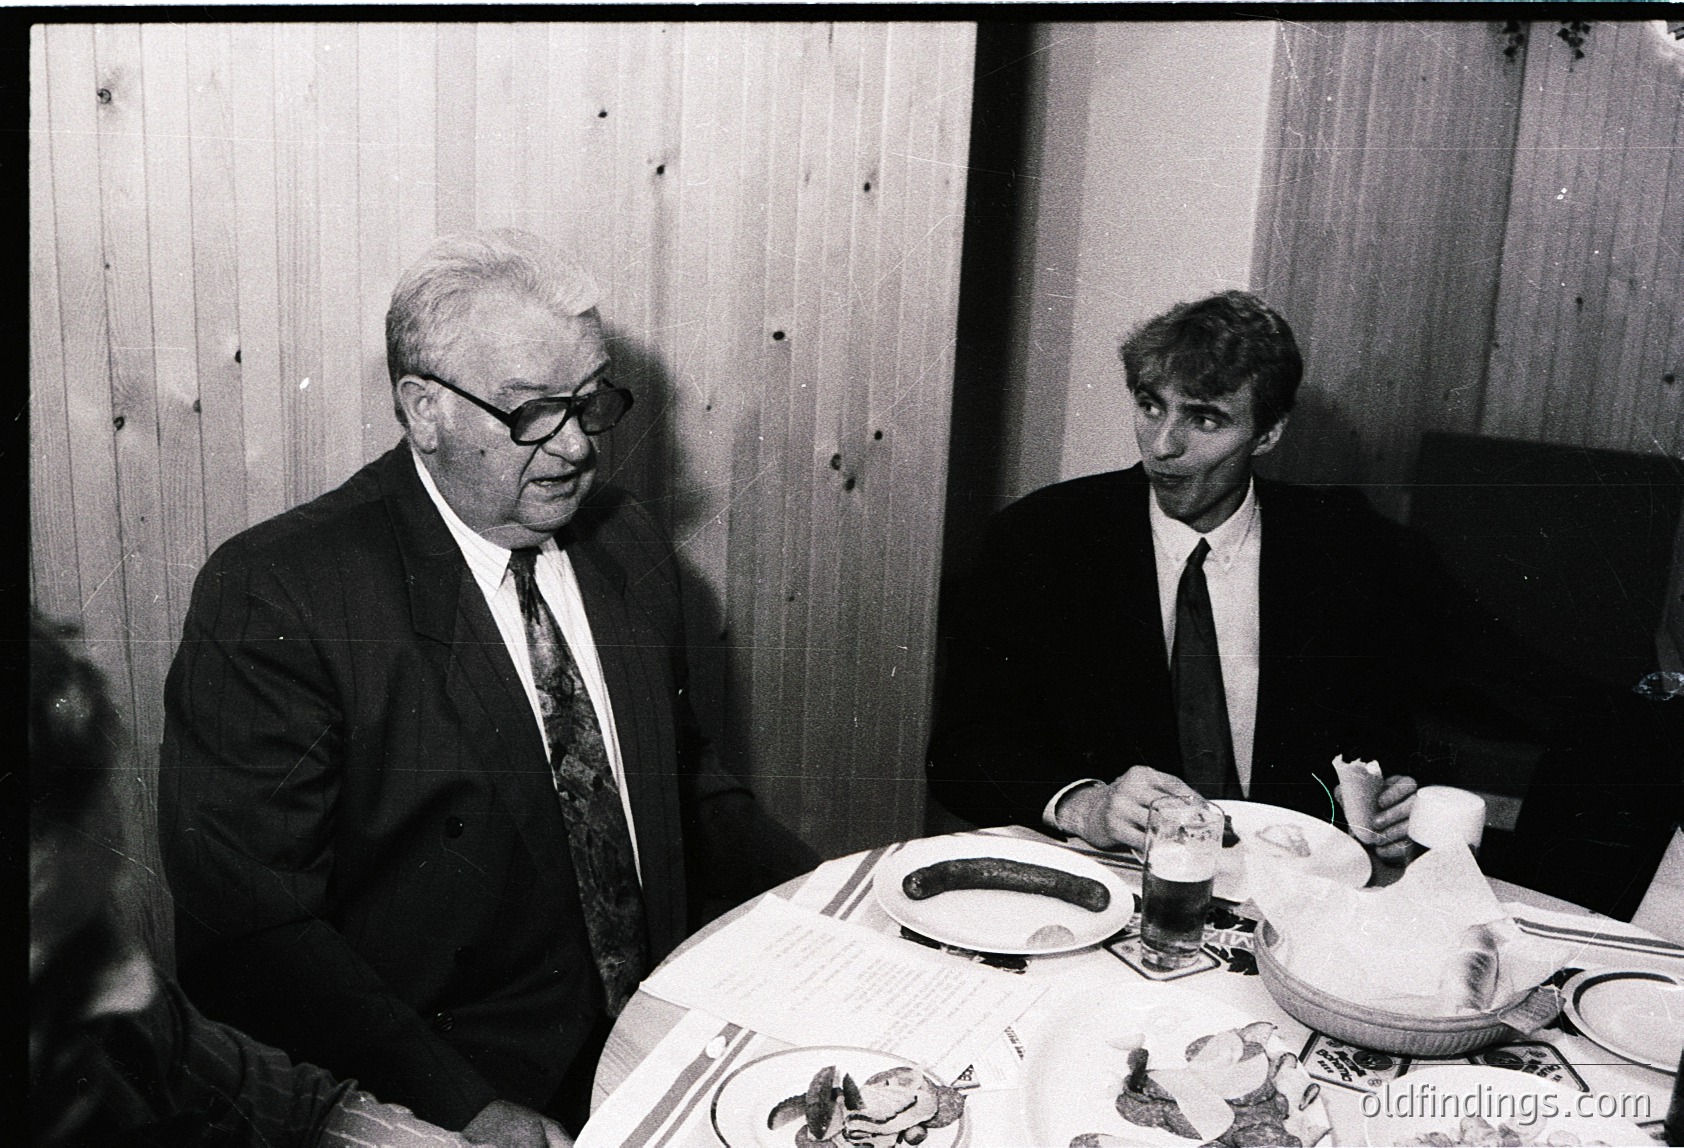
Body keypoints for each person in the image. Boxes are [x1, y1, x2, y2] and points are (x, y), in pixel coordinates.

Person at [160, 229, 813, 1146]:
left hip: (667, 1037)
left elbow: (682, 785)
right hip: (445, 1086)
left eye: (592, 403)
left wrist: (827, 909)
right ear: (424, 410)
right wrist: (460, 1108)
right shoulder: (281, 592)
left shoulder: (623, 544)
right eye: (534, 413)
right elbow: (253, 934)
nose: (579, 446)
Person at [927, 291, 1548, 860]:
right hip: (1113, 875)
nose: (1162, 446)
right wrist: (1083, 804)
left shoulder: (1357, 550)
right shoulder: (1040, 539)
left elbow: (1481, 699)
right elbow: (959, 751)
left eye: (1204, 420)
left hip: (1296, 887)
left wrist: (1397, 804)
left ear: (1269, 432)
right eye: (1149, 406)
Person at [30, 612, 472, 1148]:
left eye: (96, 934)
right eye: (54, 961)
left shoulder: (125, 1021)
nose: (138, 986)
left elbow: (296, 1110)